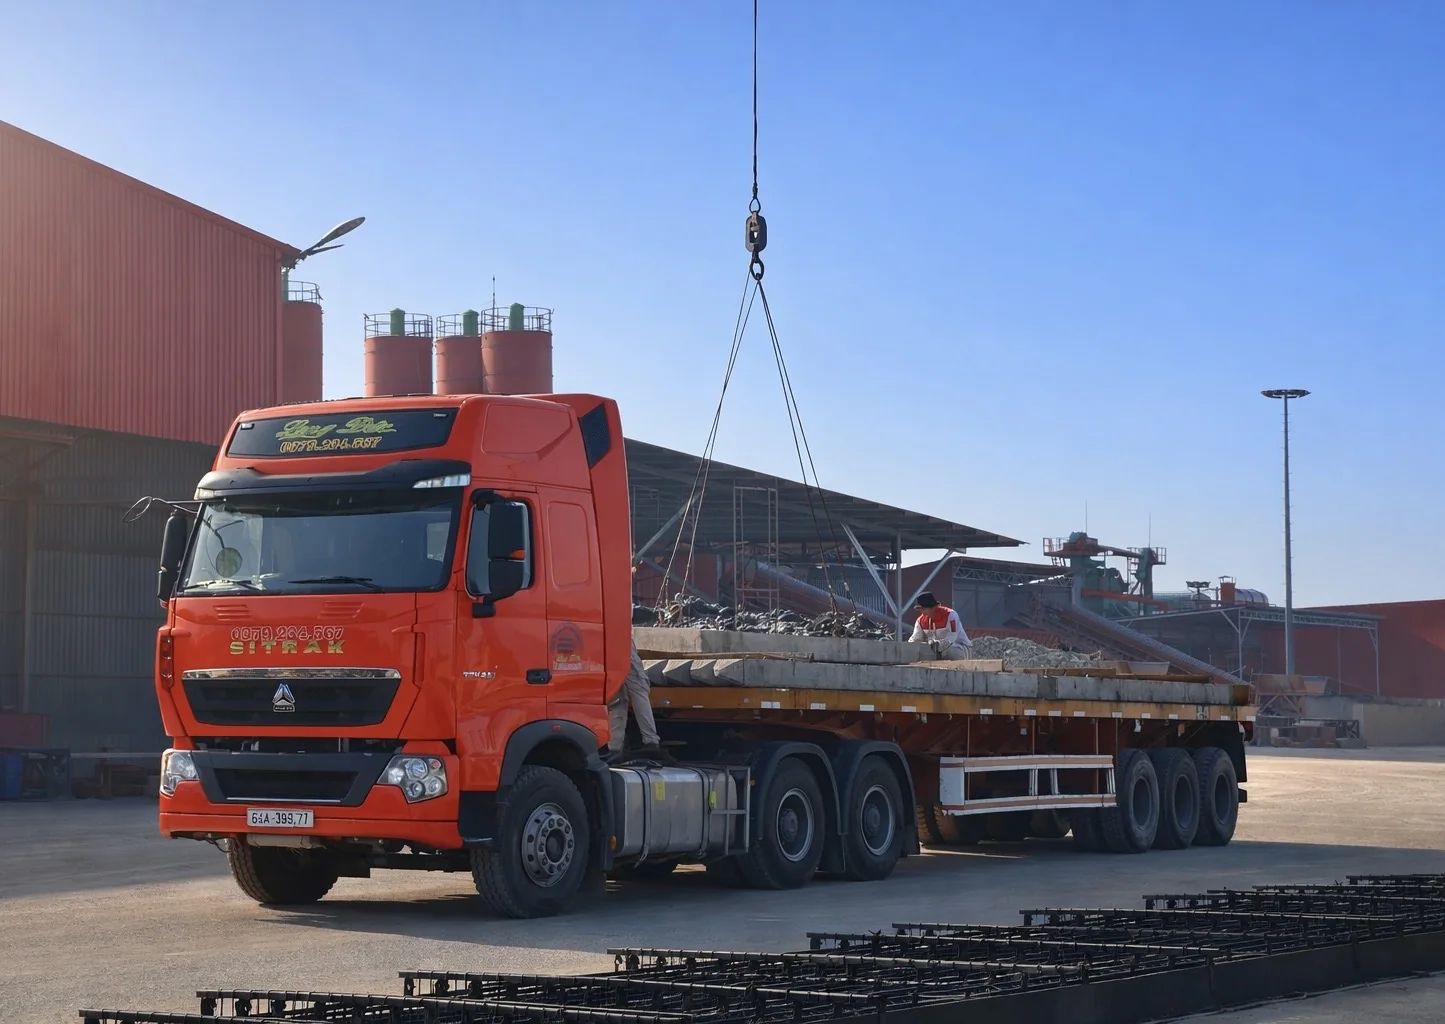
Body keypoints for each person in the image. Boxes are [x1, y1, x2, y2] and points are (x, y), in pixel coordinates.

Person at [606, 641, 666, 762]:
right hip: (619, 641)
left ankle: (614, 747)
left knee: (618, 699)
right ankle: (651, 741)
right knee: (639, 689)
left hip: (602, 648)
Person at [909, 592, 973, 659]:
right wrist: (908, 647)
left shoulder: (951, 615)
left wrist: (936, 644)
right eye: (920, 609)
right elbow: (915, 639)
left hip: (961, 648)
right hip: (937, 651)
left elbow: (951, 640)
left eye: (923, 608)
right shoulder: (920, 621)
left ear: (933, 607)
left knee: (950, 650)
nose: (922, 611)